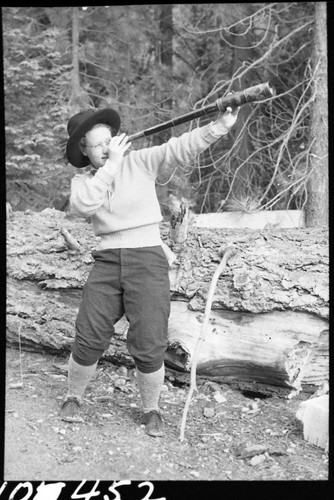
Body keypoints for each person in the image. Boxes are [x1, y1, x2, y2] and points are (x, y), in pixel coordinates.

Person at [62, 104, 239, 437]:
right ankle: (73, 397)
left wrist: (220, 125)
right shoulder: (84, 180)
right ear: (83, 150)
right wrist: (110, 166)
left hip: (147, 258)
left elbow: (180, 147)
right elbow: (82, 206)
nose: (104, 148)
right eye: (96, 145)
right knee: (89, 334)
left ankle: (151, 409)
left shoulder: (140, 162)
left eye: (108, 141)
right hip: (107, 261)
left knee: (149, 339)